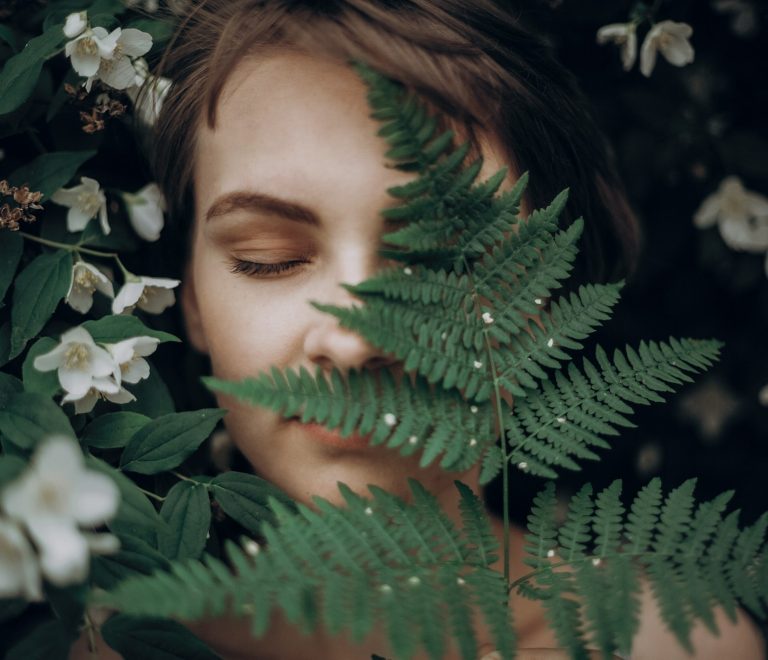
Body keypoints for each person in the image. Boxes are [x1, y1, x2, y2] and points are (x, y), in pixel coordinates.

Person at [111, 0, 764, 658]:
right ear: (189, 296)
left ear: (546, 304)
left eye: (441, 264)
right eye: (269, 259)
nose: (355, 338)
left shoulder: (673, 646)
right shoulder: (93, 637)